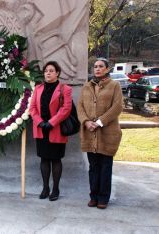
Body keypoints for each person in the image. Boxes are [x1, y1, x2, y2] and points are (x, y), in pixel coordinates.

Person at [77, 58, 123, 209]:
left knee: (105, 167)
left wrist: (100, 122)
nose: (97, 69)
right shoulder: (86, 87)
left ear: (107, 69)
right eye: (95, 66)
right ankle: (93, 196)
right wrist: (86, 121)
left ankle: (103, 198)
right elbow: (80, 107)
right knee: (93, 167)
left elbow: (117, 107)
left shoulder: (114, 85)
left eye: (101, 66)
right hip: (89, 133)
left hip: (107, 133)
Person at [29, 61, 72, 201]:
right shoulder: (38, 88)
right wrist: (40, 122)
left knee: (56, 160)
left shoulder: (65, 89)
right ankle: (45, 187)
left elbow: (66, 109)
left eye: (51, 70)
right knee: (44, 159)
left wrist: (52, 122)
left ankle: (55, 188)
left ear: (57, 73)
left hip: (56, 129)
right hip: (41, 130)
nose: (48, 73)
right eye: (46, 70)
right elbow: (32, 108)